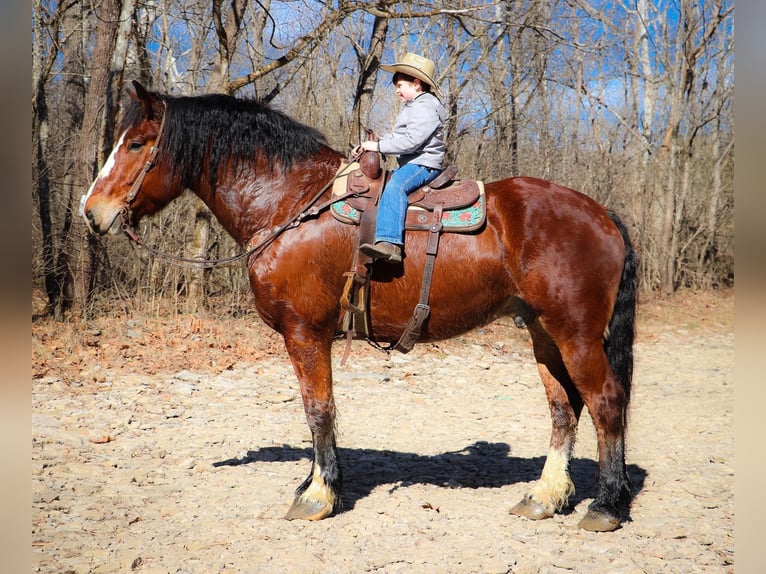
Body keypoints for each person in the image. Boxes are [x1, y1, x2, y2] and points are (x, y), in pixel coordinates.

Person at [356, 52, 446, 264]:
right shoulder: (412, 107)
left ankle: (390, 243)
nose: (396, 90)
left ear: (416, 84)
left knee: (396, 186)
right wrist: (370, 145)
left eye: (400, 85)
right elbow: (398, 138)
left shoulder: (425, 105)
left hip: (424, 163)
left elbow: (411, 141)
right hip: (413, 162)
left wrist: (377, 146)